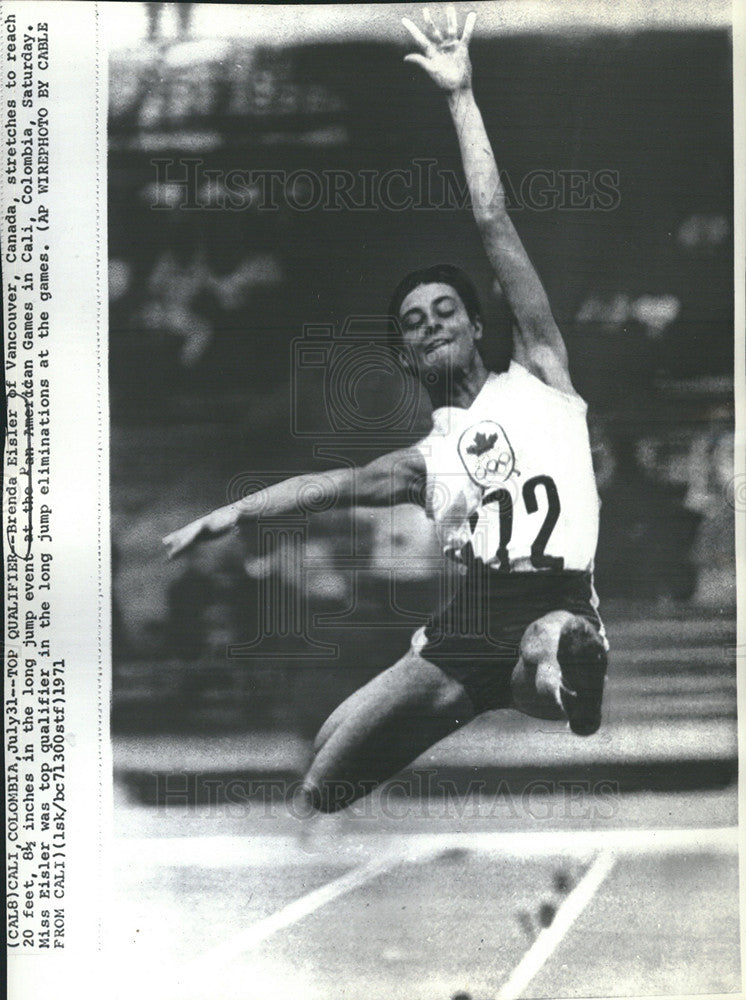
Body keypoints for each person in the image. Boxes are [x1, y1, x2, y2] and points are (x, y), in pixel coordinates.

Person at [163, 7, 609, 814]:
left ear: (477, 324)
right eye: (413, 321)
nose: (432, 321)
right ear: (405, 354)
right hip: (472, 619)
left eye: (446, 309)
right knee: (327, 772)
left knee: (550, 644)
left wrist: (460, 98)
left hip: (551, 595)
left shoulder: (540, 374)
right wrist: (228, 514)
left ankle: (559, 673)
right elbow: (323, 487)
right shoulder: (425, 462)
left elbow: (492, 221)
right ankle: (496, 686)